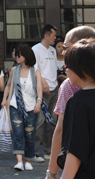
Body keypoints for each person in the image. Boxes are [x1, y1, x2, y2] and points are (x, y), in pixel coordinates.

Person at [46, 26, 95, 179]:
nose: (65, 71)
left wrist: (55, 174)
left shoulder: (78, 101)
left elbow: (75, 151)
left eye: (67, 66)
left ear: (82, 68)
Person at [1, 44, 43, 171]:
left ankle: (28, 160)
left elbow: (40, 88)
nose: (16, 57)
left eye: (19, 54)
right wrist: (4, 99)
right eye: (16, 54)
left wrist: (39, 102)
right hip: (15, 105)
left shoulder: (35, 71)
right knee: (18, 133)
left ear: (26, 56)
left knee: (30, 134)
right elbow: (8, 85)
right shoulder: (14, 70)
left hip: (31, 106)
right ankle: (19, 161)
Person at [31, 23, 58, 162]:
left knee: (51, 122)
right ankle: (34, 152)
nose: (55, 38)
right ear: (46, 35)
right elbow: (35, 69)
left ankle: (48, 151)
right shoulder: (35, 49)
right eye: (53, 35)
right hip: (42, 91)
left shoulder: (53, 50)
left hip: (54, 90)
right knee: (39, 121)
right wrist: (43, 83)